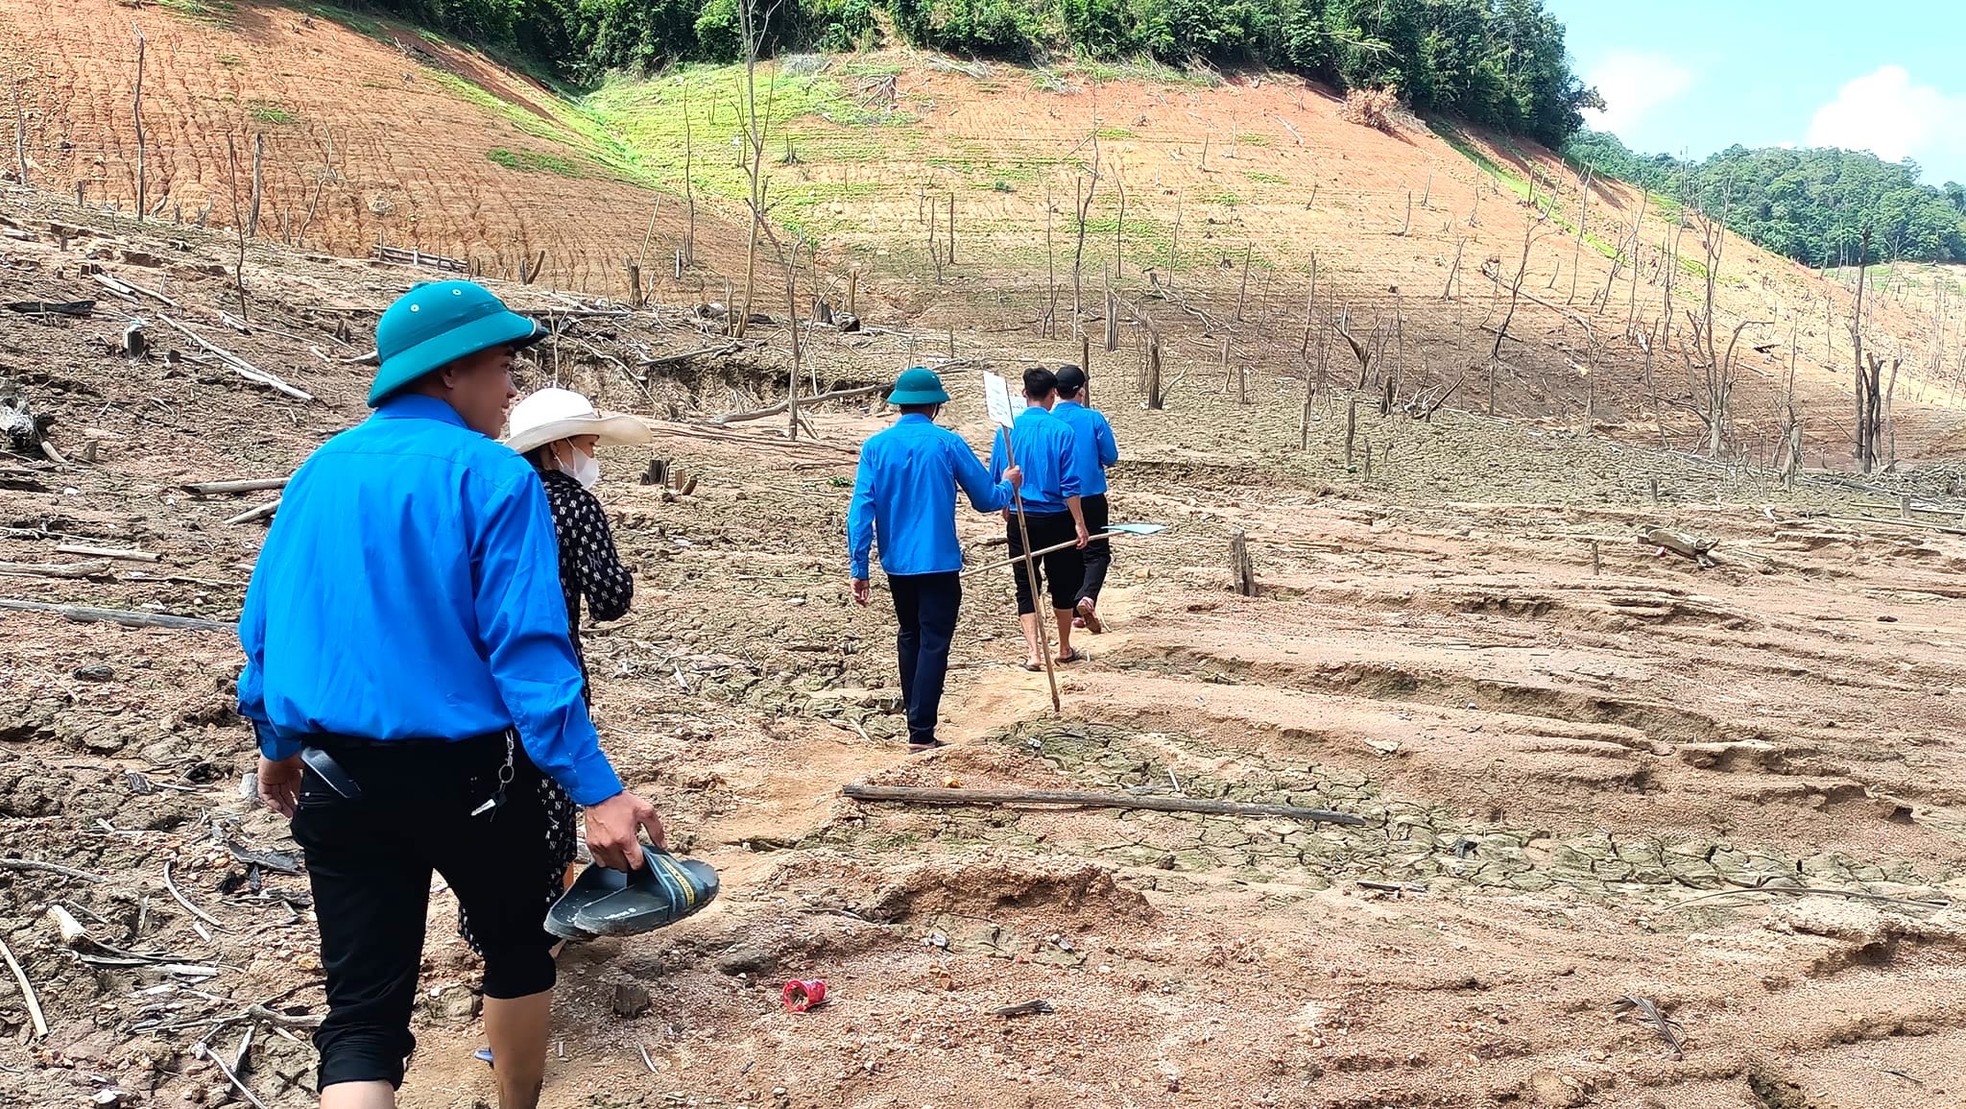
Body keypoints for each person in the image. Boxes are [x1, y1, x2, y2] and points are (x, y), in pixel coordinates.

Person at [237, 281, 665, 1109]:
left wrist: (278, 745)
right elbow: (532, 657)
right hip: (476, 778)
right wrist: (599, 790)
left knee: (362, 1010)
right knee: (516, 950)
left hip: (336, 775)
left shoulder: (316, 473)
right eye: (502, 368)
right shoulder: (493, 480)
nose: (511, 390)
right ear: (447, 375)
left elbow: (265, 631)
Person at [439, 388, 650, 959]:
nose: (593, 451)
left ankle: (485, 924)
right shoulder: (572, 503)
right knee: (549, 794)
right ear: (558, 447)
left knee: (487, 796)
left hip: (473, 678)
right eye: (587, 441)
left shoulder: (485, 494)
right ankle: (536, 939)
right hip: (549, 667)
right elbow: (608, 598)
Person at [847, 367, 1021, 752]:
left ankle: (916, 715)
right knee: (934, 641)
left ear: (899, 405)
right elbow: (987, 499)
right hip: (940, 561)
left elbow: (861, 508)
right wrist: (1009, 483)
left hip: (897, 564)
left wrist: (859, 567)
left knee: (910, 634)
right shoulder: (947, 443)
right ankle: (921, 731)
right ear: (935, 406)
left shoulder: (876, 447)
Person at [988, 367, 1090, 671]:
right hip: (1056, 518)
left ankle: (1034, 652)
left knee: (1026, 584)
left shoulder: (1007, 430)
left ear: (1024, 394)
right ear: (1052, 395)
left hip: (1022, 517)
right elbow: (1070, 484)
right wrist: (1079, 522)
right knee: (1061, 583)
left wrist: (1004, 501)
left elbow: (997, 473)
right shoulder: (1062, 431)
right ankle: (1062, 646)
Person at [1048, 365, 1119, 633]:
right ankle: (1086, 598)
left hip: (1057, 500)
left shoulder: (1049, 421)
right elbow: (1111, 456)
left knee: (1067, 551)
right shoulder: (1093, 418)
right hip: (1089, 496)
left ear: (1056, 392)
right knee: (1097, 552)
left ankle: (1072, 607)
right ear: (1081, 391)